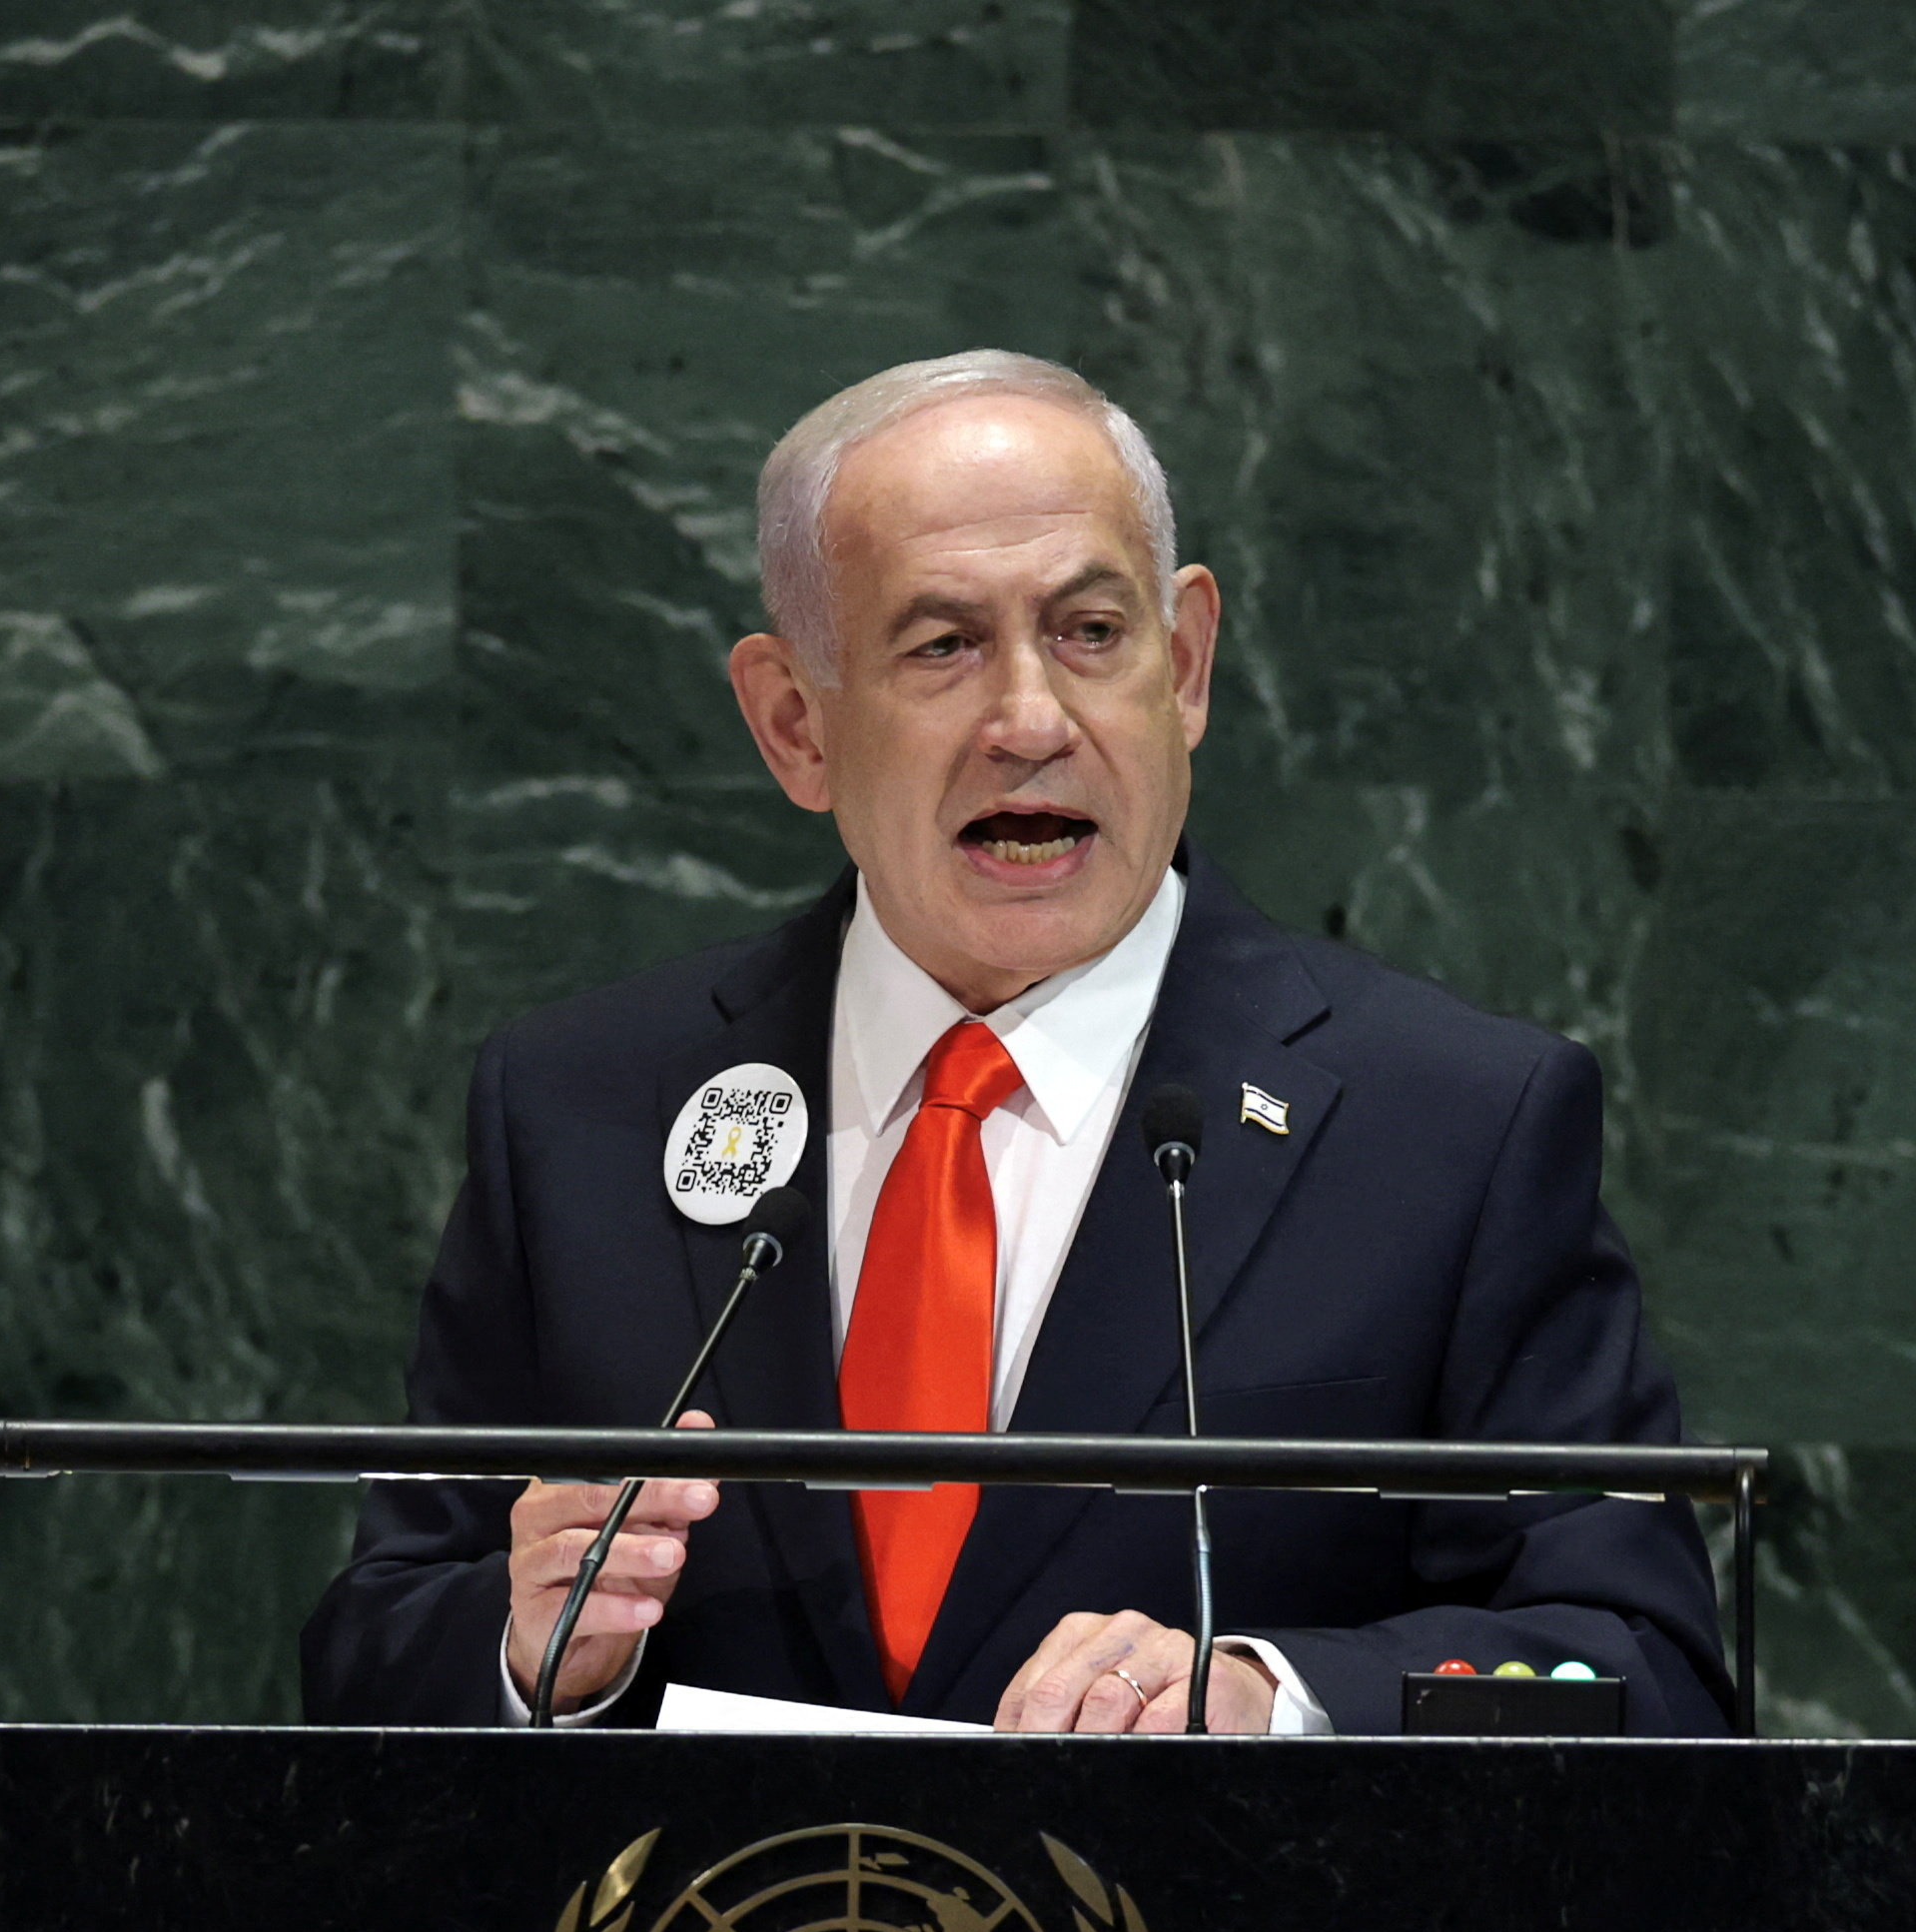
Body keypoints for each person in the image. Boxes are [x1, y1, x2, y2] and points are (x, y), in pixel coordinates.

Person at [300, 351, 1727, 1736]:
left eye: (1092, 635)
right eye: (943, 645)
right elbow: (372, 1649)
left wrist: (1272, 1696)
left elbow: (1639, 1677)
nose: (1031, 719)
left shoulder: (1452, 1129)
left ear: (1185, 667)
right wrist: (526, 1647)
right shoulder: (585, 1113)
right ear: (794, 724)